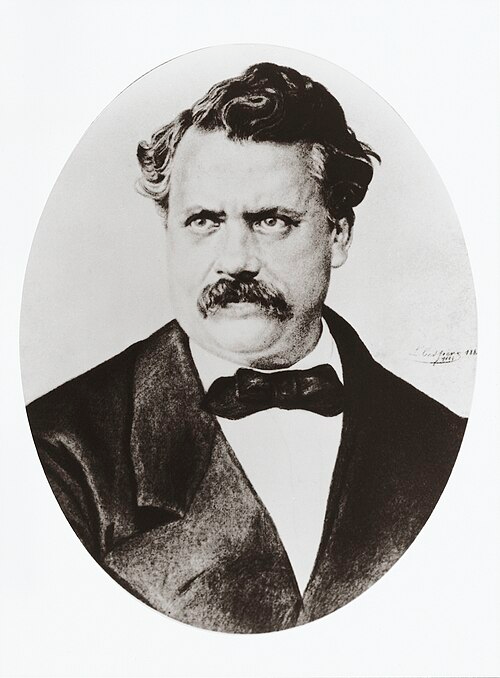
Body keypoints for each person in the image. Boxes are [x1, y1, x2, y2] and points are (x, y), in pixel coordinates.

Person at [27, 62, 466, 633]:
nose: (235, 260)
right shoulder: (56, 449)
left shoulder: (446, 443)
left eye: (272, 221)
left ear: (338, 234)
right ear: (169, 229)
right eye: (204, 221)